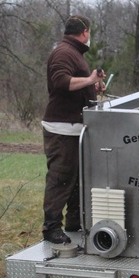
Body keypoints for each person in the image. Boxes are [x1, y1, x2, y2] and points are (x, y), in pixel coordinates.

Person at [41, 15, 104, 245]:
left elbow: (76, 83)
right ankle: (51, 228)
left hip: (73, 128)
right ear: (85, 31)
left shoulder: (73, 53)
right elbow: (61, 82)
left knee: (77, 180)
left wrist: (93, 85)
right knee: (61, 179)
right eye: (90, 33)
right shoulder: (63, 52)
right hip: (61, 129)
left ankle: (73, 224)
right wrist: (89, 80)